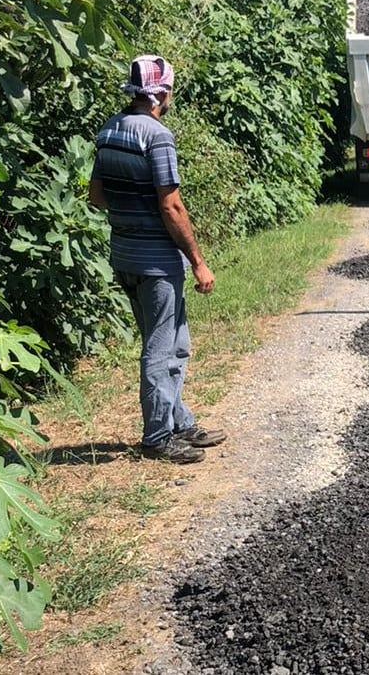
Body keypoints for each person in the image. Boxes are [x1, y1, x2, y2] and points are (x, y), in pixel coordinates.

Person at [89, 55, 226, 464]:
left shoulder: (109, 130)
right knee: (160, 349)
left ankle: (180, 422)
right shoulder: (158, 136)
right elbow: (172, 207)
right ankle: (157, 437)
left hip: (125, 256)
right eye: (168, 91)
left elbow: (96, 196)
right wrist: (198, 261)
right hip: (156, 263)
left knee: (175, 343)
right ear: (160, 93)